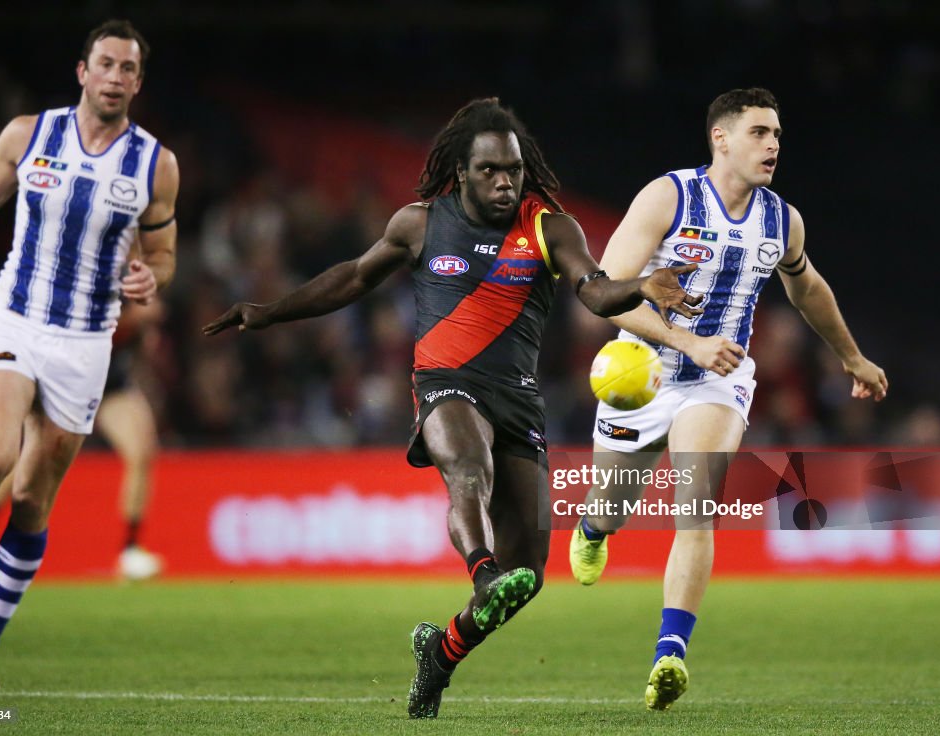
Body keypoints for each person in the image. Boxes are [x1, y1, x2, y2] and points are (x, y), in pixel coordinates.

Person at [203, 97, 704, 719]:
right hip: (444, 381)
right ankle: (481, 569)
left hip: (517, 398)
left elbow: (595, 291)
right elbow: (356, 276)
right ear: (461, 172)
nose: (504, 182)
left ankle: (440, 653)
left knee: (531, 578)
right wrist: (270, 311)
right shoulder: (419, 223)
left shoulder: (550, 226)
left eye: (513, 171)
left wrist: (641, 286)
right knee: (468, 468)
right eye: (490, 170)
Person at [567, 88, 888, 710]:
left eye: (777, 135)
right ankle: (594, 526)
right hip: (640, 369)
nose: (773, 145)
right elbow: (605, 293)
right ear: (721, 138)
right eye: (760, 133)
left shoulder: (781, 219)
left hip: (719, 378)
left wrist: (851, 356)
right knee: (613, 503)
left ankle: (670, 652)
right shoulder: (669, 196)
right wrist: (685, 340)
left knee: (697, 500)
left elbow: (809, 288)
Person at [0, 19, 178, 690]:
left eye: (128, 68)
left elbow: (163, 254)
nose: (116, 77)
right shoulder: (28, 134)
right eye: (106, 64)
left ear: (137, 83)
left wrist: (153, 278)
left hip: (87, 342)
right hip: (17, 318)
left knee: (35, 501)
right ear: (82, 71)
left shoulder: (156, 164)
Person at [0, 298, 166, 581]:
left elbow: (148, 316)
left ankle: (130, 550)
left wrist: (144, 329)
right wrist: (135, 319)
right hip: (66, 381)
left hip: (110, 384)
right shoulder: (86, 271)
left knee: (141, 450)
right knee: (33, 462)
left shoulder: (130, 271)